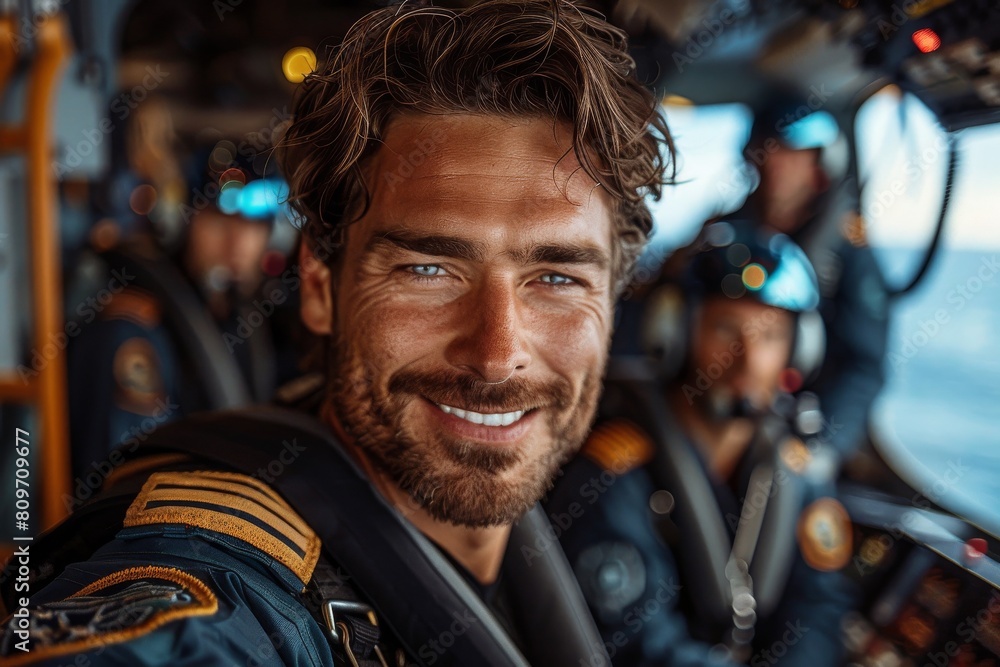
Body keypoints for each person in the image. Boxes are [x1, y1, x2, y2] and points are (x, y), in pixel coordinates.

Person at [0, 1, 674, 665]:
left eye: (557, 278)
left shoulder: (531, 564)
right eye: (428, 269)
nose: (498, 355)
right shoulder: (223, 583)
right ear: (320, 287)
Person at [545, 221, 857, 666]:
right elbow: (634, 642)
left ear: (799, 351)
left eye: (769, 337)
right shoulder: (613, 474)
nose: (748, 359)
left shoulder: (798, 474)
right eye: (727, 331)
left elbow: (820, 609)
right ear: (674, 332)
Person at [65, 147, 287, 482]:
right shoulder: (134, 328)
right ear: (186, 219)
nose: (237, 242)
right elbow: (120, 483)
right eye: (219, 219)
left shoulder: (240, 320)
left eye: (254, 225)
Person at [728, 107, 889, 460]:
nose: (776, 163)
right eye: (767, 150)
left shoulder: (848, 251)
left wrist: (820, 451)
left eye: (791, 151)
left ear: (819, 164)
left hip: (801, 429)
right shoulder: (724, 236)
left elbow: (863, 366)